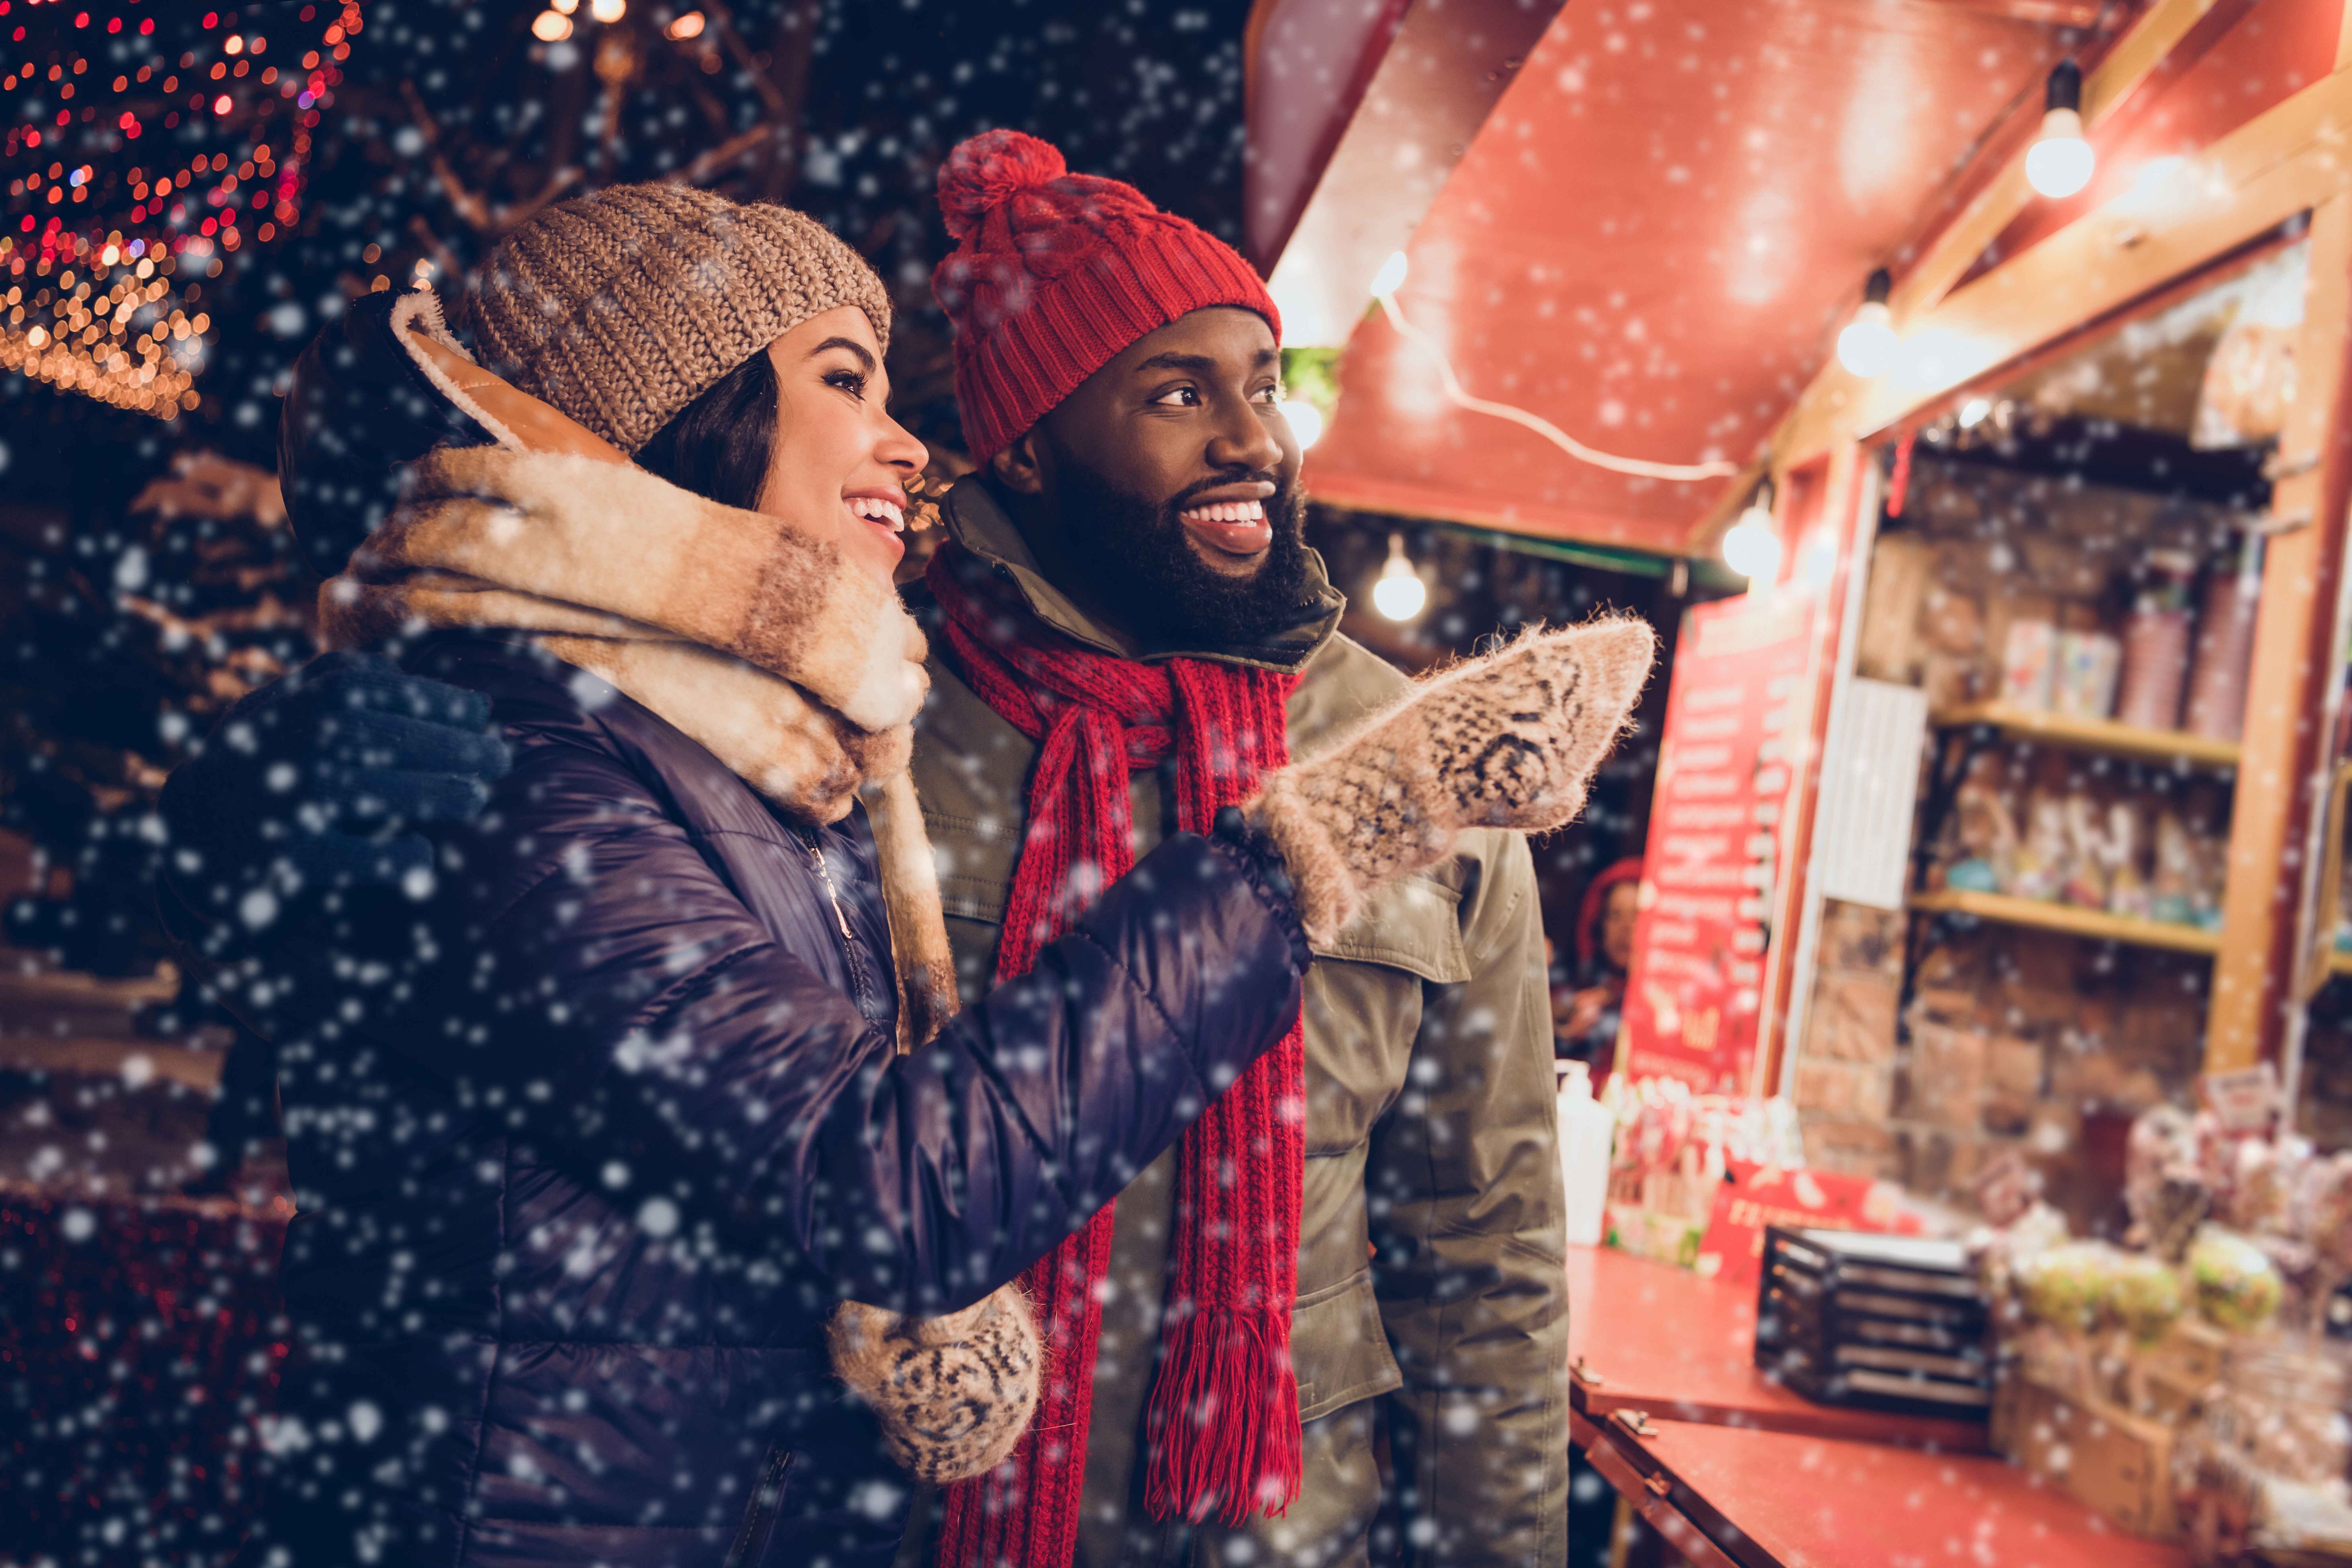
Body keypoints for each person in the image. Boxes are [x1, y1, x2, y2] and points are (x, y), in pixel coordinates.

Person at [155, 180, 1653, 1568]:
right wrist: (253, 808)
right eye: (1176, 392)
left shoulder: (785, 713)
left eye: (1267, 388)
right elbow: (872, 1162)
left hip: (1252, 1527)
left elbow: (1486, 1242)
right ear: (1035, 445)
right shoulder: (846, 721)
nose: (1250, 438)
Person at [1555, 856, 1643, 1087]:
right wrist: (1562, 1030)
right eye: (1615, 915)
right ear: (1598, 923)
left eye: (1637, 915)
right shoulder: (1576, 991)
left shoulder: (1665, 1008)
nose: (1626, 928)